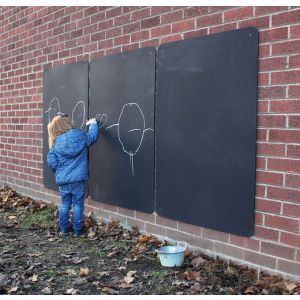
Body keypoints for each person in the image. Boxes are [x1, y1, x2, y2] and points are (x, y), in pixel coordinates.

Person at [47, 115, 99, 237]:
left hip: (63, 180)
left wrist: (59, 171)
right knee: (78, 204)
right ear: (67, 124)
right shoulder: (79, 135)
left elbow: (51, 161)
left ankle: (64, 229)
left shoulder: (55, 143)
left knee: (65, 204)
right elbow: (92, 137)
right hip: (78, 180)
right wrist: (93, 124)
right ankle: (78, 230)